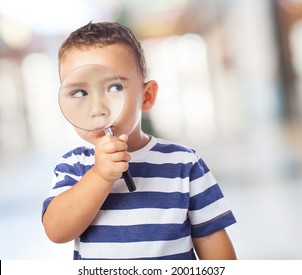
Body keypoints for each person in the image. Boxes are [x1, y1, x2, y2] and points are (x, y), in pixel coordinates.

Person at [42, 21, 237, 260]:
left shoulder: (184, 163)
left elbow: (211, 239)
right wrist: (99, 176)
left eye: (114, 87)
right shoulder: (74, 165)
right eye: (80, 92)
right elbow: (56, 230)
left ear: (146, 97)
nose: (97, 108)